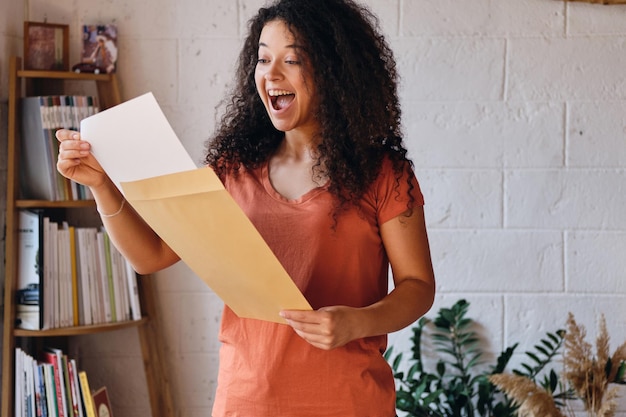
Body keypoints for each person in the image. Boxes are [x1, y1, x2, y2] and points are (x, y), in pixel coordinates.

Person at [56, 0, 436, 415]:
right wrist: (101, 185)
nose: (271, 75)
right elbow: (151, 256)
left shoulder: (383, 174)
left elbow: (417, 286)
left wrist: (358, 322)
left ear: (335, 70)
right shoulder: (232, 171)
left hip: (348, 401)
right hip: (246, 401)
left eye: (291, 60)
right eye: (262, 59)